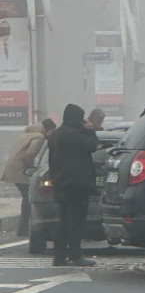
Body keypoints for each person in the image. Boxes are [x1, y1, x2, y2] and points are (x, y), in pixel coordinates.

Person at [47, 103, 98, 267]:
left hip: (61, 184)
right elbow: (92, 146)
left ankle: (59, 256)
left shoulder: (55, 135)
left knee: (63, 221)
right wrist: (90, 130)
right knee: (76, 222)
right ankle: (75, 255)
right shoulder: (74, 135)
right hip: (77, 185)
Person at [1, 117, 55, 237]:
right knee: (29, 198)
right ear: (49, 130)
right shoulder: (39, 137)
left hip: (12, 168)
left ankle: (23, 228)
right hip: (21, 170)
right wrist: (32, 168)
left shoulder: (28, 134)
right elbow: (30, 154)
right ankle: (25, 228)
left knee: (26, 198)